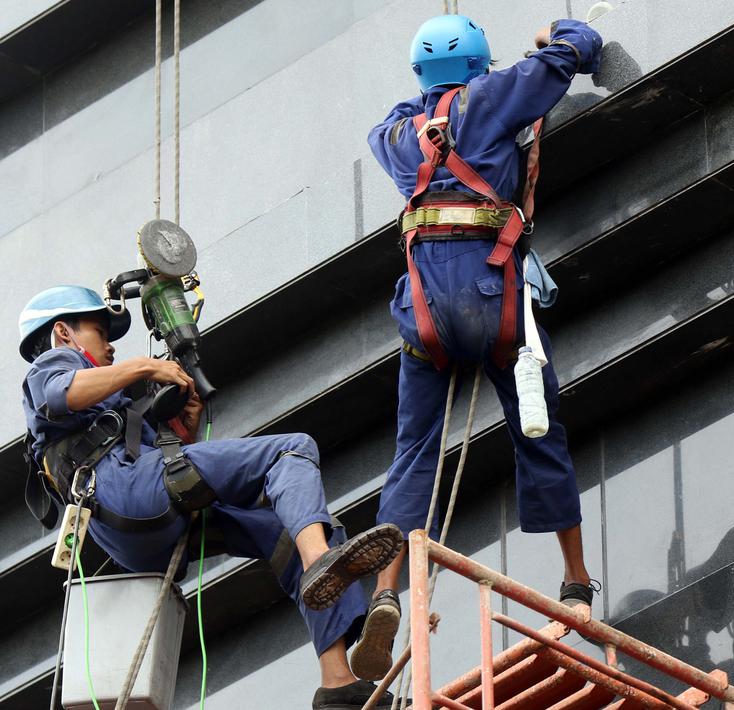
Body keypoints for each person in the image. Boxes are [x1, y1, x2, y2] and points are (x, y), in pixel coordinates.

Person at [354, 12, 603, 680]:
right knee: (537, 431)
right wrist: (563, 32)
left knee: (412, 454)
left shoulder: (394, 137)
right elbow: (573, 55)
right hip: (494, 305)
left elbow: (408, 115)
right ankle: (575, 580)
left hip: (423, 317)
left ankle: (385, 592)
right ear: (477, 65)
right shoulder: (491, 98)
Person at [17, 286, 402, 710]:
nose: (109, 345)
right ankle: (319, 567)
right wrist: (145, 366)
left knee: (290, 532)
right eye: (98, 331)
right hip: (126, 492)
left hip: (136, 524)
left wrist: (186, 428)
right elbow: (60, 393)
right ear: (63, 332)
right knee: (290, 450)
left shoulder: (107, 403)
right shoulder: (52, 365)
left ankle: (338, 684)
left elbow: (160, 460)